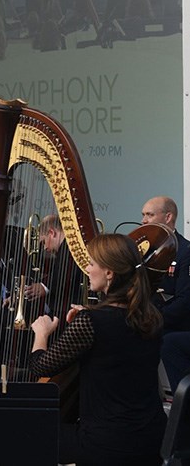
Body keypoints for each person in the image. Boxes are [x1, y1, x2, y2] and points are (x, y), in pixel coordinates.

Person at [29, 234, 166, 465]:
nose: (87, 269)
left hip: (107, 444)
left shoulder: (91, 321)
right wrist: (88, 315)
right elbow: (116, 335)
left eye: (91, 263)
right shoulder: (150, 316)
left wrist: (42, 333)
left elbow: (41, 366)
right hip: (151, 438)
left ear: (109, 273)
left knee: (25, 431)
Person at [141, 196, 190, 332]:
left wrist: (152, 321)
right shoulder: (142, 249)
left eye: (150, 215)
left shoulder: (185, 251)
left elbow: (185, 300)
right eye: (143, 215)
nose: (144, 221)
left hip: (168, 329)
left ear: (168, 217)